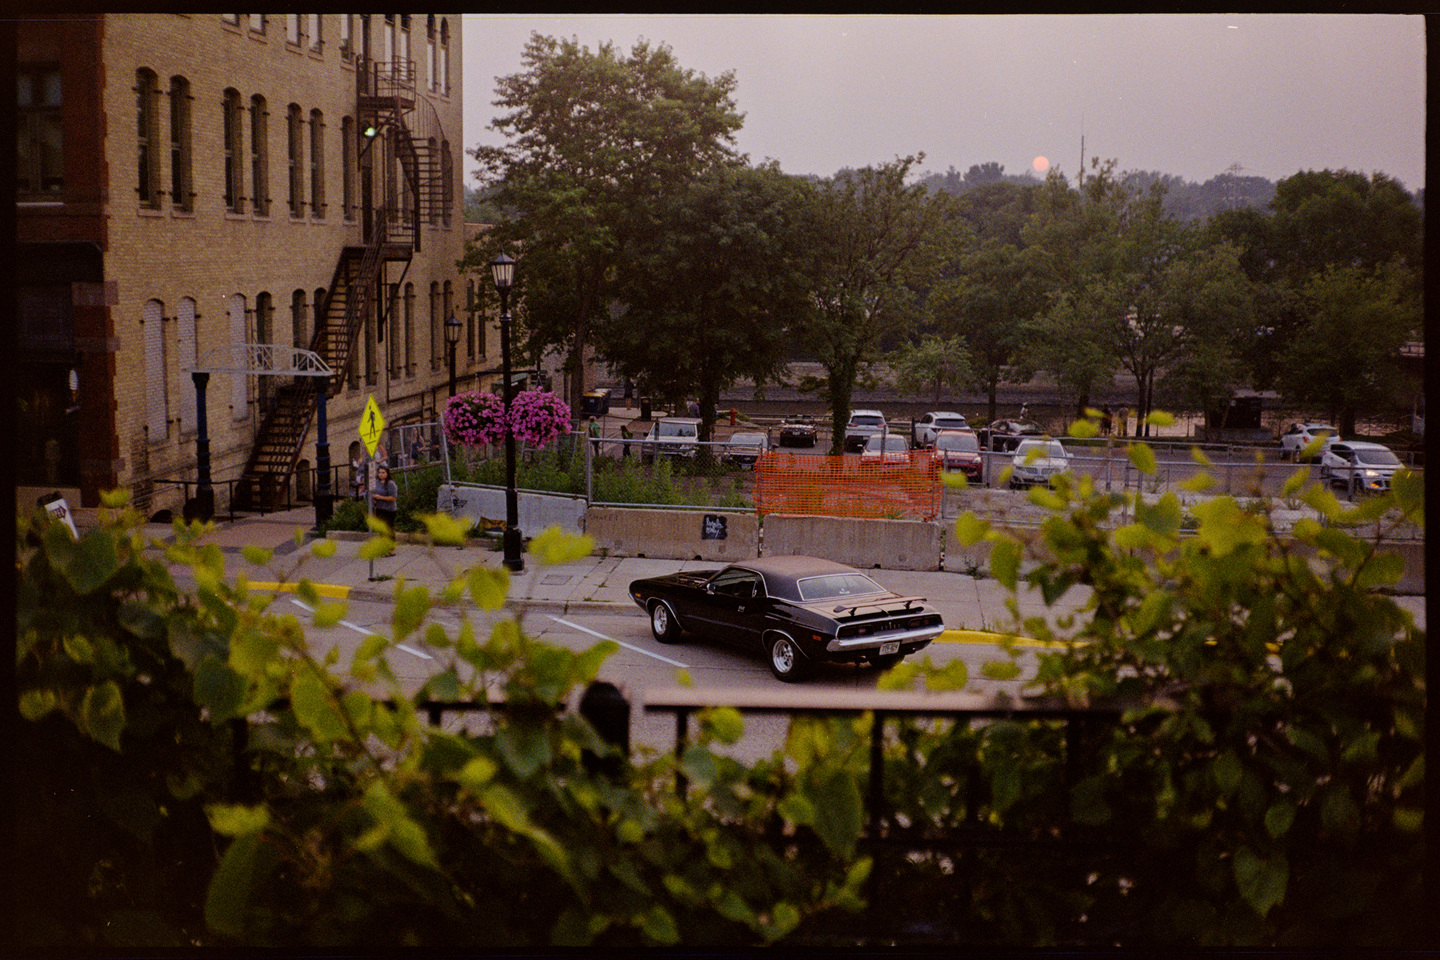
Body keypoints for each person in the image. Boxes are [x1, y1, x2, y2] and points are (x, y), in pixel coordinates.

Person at [370, 465, 398, 532]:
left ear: (387, 473)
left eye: (383, 472)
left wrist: (380, 497)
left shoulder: (390, 483)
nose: (381, 474)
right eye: (379, 472)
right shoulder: (377, 482)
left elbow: (393, 498)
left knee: (389, 530)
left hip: (388, 510)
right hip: (379, 508)